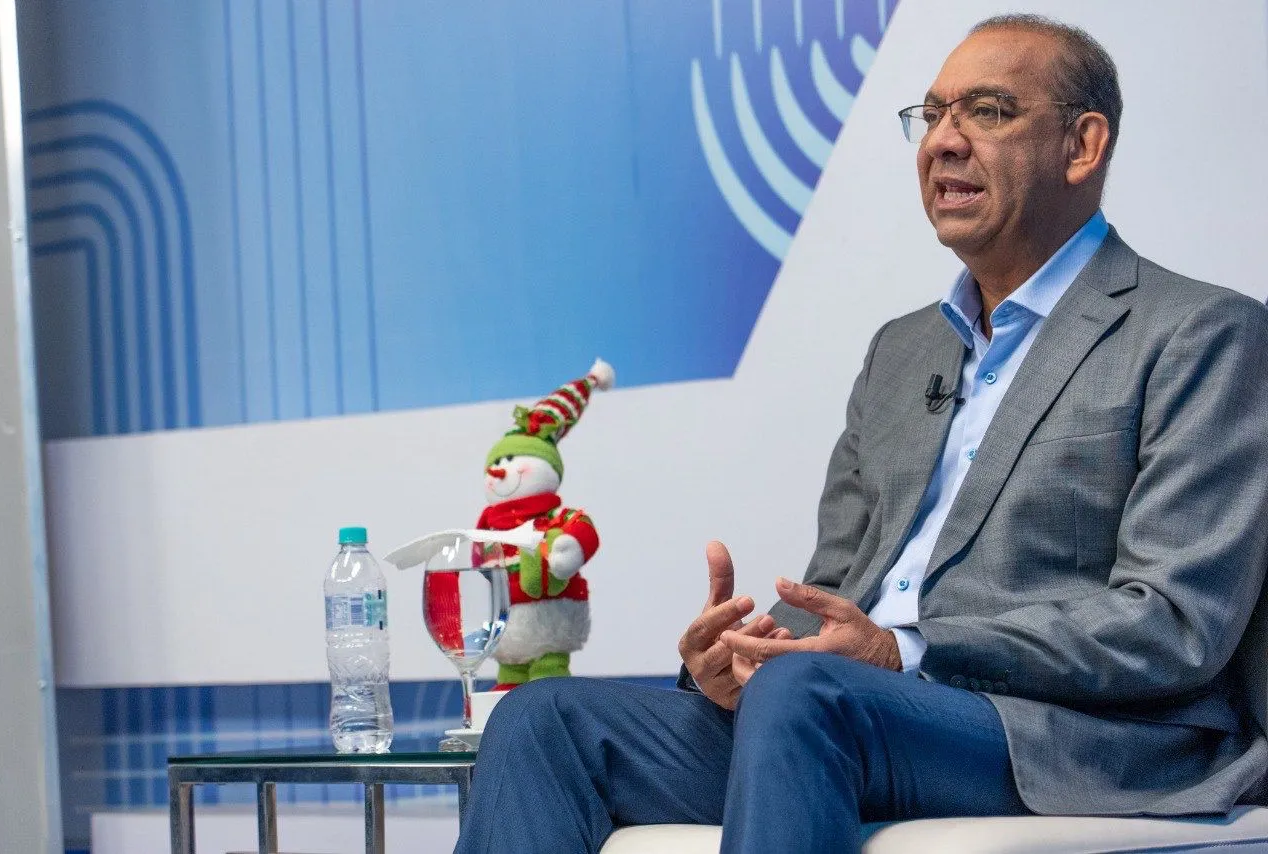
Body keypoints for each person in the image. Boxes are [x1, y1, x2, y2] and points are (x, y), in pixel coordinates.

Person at [453, 14, 1268, 853]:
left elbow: (1174, 623)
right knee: (544, 720)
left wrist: (905, 650)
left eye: (987, 112)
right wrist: (746, 655)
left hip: (1073, 738)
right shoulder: (902, 351)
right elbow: (836, 587)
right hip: (840, 711)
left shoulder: (1201, 333)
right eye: (932, 115)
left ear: (1082, 145)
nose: (943, 142)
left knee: (807, 694)